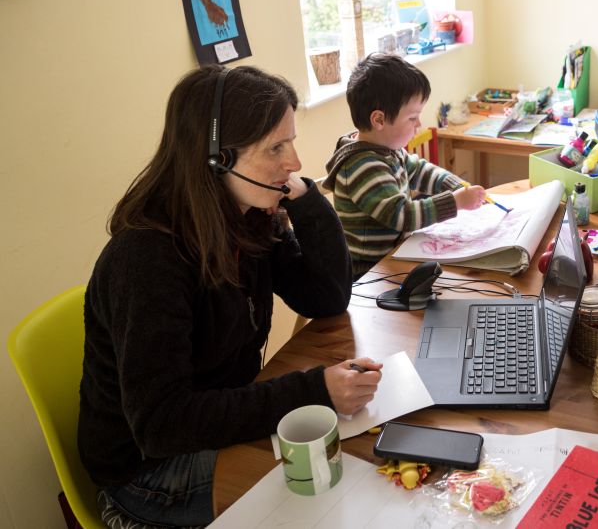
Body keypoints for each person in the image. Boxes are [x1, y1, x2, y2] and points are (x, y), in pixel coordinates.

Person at [79, 65, 382, 527]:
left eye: (291, 142)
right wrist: (314, 390)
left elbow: (327, 297)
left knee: (354, 459)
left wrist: (307, 200)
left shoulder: (247, 217)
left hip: (215, 424)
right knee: (329, 491)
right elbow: (163, 424)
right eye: (276, 148)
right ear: (218, 159)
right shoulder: (145, 259)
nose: (295, 161)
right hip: (148, 473)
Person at [324, 54, 486, 277]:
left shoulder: (386, 149)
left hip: (395, 257)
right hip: (369, 273)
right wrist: (455, 202)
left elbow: (419, 169)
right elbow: (402, 215)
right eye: (412, 118)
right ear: (379, 120)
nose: (419, 124)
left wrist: (456, 185)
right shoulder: (363, 166)